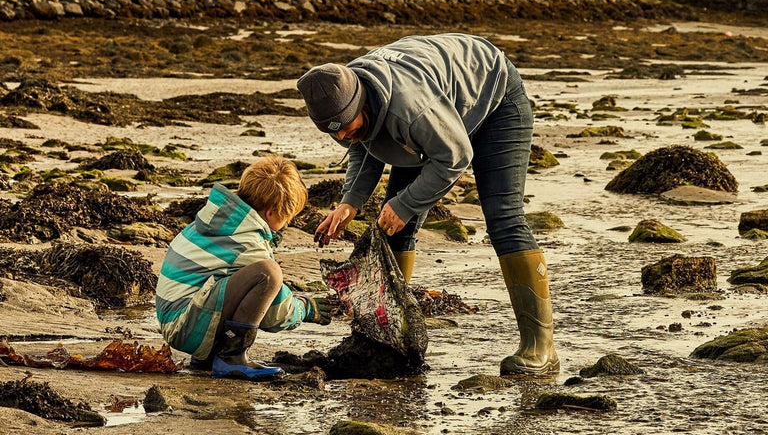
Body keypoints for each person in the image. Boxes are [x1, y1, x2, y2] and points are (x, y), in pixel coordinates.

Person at [296, 33, 559, 376]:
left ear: (361, 102)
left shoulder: (411, 108)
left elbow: (455, 157)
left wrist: (406, 205)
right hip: (439, 112)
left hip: (495, 100)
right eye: (334, 133)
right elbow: (365, 142)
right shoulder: (343, 96)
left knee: (503, 218)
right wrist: (350, 203)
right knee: (390, 227)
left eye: (345, 127)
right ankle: (389, 336)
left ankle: (541, 348)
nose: (342, 137)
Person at [155, 156, 331, 381]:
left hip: (178, 319)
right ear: (270, 213)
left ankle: (210, 355)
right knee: (268, 274)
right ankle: (231, 358)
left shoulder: (221, 220)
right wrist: (305, 309)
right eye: (286, 218)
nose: (287, 224)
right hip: (184, 327)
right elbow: (274, 313)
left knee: (250, 276)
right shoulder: (246, 241)